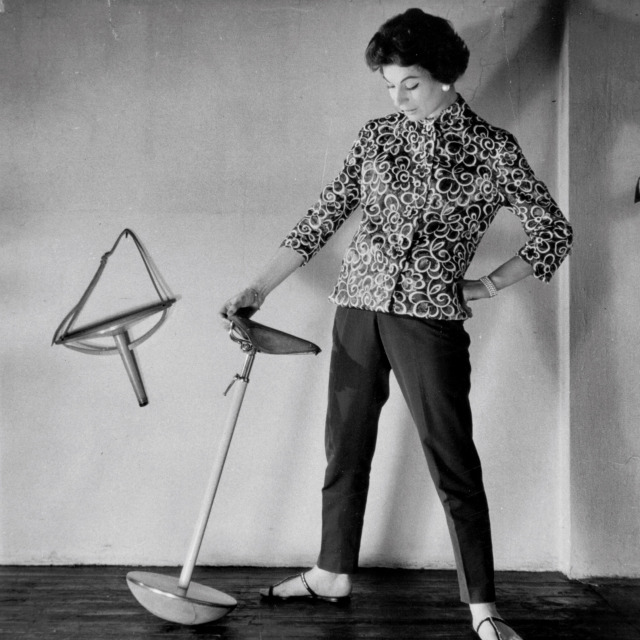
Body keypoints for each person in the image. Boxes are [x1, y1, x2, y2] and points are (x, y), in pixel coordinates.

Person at [220, 8, 573, 640]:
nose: (398, 97)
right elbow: (324, 216)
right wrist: (257, 287)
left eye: (410, 83)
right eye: (388, 85)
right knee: (345, 446)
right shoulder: (377, 136)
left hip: (428, 319)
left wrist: (488, 284)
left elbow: (553, 231)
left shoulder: (491, 148)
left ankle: (483, 607)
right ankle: (331, 572)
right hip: (357, 307)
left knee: (452, 459)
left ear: (444, 74)